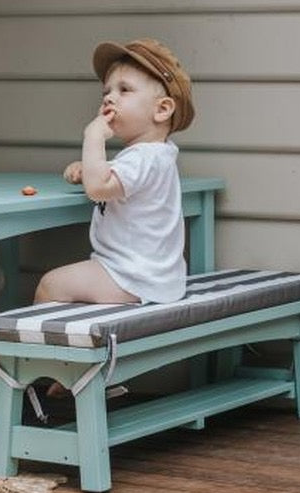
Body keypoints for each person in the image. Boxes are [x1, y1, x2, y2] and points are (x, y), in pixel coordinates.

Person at [35, 38, 195, 310]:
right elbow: (116, 179)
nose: (110, 97)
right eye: (106, 92)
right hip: (159, 278)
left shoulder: (142, 157)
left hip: (131, 276)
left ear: (162, 109)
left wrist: (93, 135)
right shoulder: (159, 154)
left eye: (124, 90)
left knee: (51, 286)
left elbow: (98, 188)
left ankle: (36, 350)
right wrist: (90, 168)